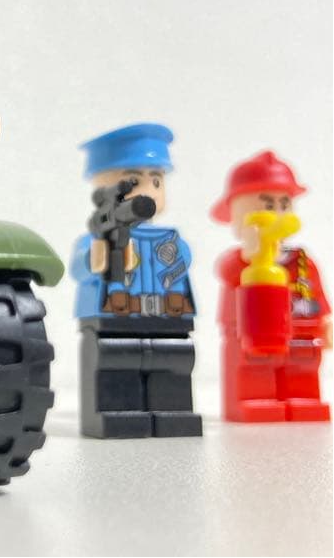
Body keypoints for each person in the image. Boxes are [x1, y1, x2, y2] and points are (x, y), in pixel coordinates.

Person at [71, 123, 202, 438]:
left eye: (156, 180)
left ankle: (173, 413)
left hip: (170, 317)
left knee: (173, 362)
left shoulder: (169, 238)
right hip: (113, 319)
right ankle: (118, 413)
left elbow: (182, 261)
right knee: (116, 363)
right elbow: (82, 268)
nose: (148, 190)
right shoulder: (98, 237)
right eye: (133, 180)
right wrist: (101, 252)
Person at [211, 150, 331, 422]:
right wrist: (252, 252)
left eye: (284, 204)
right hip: (250, 335)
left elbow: (316, 293)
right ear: (235, 215)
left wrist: (325, 323)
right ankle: (255, 400)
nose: (277, 214)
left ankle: (304, 400)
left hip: (301, 331)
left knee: (302, 366)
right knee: (255, 367)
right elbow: (228, 273)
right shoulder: (237, 261)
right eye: (267, 205)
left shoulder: (302, 261)